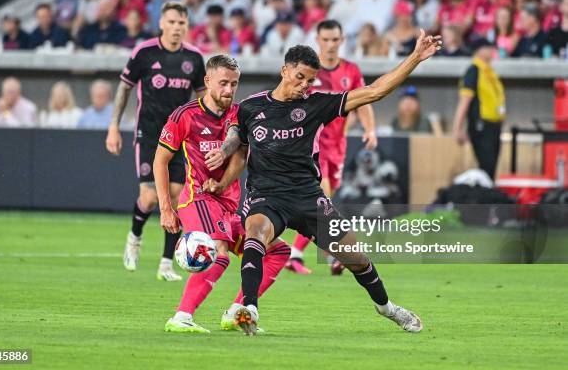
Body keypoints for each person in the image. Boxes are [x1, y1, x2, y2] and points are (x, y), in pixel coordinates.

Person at [205, 31, 442, 335]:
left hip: (307, 196)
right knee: (256, 234)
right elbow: (235, 139)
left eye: (310, 81)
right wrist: (222, 153)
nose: (305, 85)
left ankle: (387, 308)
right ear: (285, 71)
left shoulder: (317, 105)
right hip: (267, 195)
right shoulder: (251, 107)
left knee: (356, 259)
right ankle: (248, 308)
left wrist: (414, 58)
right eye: (300, 77)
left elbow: (374, 92)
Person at [156, 55, 290, 333]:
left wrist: (222, 182)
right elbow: (160, 161)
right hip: (199, 199)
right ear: (207, 82)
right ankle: (181, 317)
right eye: (223, 84)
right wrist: (165, 208)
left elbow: (240, 155)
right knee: (220, 253)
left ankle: (236, 312)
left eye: (234, 84)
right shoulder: (185, 115)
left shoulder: (239, 114)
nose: (229, 90)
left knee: (277, 250)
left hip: (229, 204)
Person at [105, 1, 206, 281]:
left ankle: (165, 264)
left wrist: (204, 133)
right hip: (149, 134)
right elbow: (124, 88)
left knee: (175, 198)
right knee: (150, 197)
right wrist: (113, 126)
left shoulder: (195, 59)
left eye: (181, 23)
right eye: (171, 22)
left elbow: (201, 100)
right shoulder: (144, 52)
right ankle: (134, 238)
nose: (176, 28)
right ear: (162, 23)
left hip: (179, 136)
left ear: (187, 26)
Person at [285, 20, 377, 276]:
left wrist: (370, 129)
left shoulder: (351, 70)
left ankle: (302, 253)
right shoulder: (308, 74)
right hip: (312, 145)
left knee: (326, 199)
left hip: (338, 144)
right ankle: (335, 253)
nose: (330, 45)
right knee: (321, 198)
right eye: (325, 40)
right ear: (317, 40)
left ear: (342, 40)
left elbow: (365, 100)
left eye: (334, 40)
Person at [452, 38, 505, 180]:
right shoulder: (474, 71)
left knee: (491, 168)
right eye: (487, 47)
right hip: (481, 125)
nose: (491, 50)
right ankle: (485, 198)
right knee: (486, 166)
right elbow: (465, 101)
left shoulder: (489, 72)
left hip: (493, 125)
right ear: (479, 51)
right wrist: (457, 128)